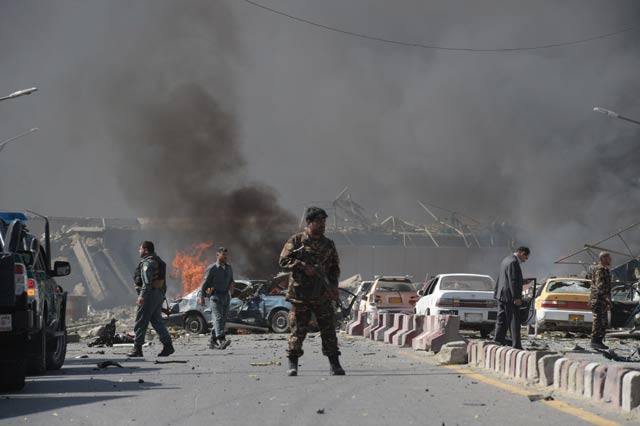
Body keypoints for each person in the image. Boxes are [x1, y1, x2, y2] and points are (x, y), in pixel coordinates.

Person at [279, 206, 344, 376]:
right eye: (318, 221)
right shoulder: (296, 241)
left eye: (324, 221)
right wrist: (301, 266)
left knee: (328, 330)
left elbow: (334, 268)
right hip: (300, 295)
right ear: (309, 222)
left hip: (322, 295)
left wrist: (333, 286)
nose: (322, 225)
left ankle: (335, 364)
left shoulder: (328, 244)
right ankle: (293, 364)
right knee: (297, 331)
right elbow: (283, 261)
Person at [127, 241, 175, 357]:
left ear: (146, 250)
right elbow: (163, 283)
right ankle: (168, 345)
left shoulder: (147, 263)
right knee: (156, 321)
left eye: (141, 249)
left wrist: (142, 296)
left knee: (141, 321)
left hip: (149, 295)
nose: (139, 251)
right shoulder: (158, 261)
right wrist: (161, 296)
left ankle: (137, 348)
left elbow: (147, 283)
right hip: (157, 294)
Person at [493, 246, 530, 350]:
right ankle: (516, 344)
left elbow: (506, 278)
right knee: (514, 320)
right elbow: (513, 281)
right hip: (509, 296)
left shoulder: (506, 259)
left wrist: (522, 281)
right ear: (522, 253)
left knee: (502, 319)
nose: (525, 260)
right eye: (526, 258)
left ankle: (498, 340)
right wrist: (516, 297)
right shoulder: (514, 262)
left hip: (501, 294)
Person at [199, 247, 235, 350]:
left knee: (222, 320)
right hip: (215, 296)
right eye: (223, 255)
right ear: (217, 255)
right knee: (218, 318)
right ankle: (222, 339)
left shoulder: (229, 268)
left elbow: (231, 280)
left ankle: (212, 341)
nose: (225, 257)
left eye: (226, 255)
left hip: (225, 296)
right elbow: (204, 284)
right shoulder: (212, 268)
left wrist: (232, 287)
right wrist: (201, 296)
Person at [590, 252, 612, 350]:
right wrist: (606, 299)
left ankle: (598, 341)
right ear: (603, 258)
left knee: (603, 322)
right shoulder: (600, 270)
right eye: (608, 258)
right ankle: (595, 341)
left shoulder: (604, 270)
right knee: (599, 321)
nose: (610, 259)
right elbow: (600, 287)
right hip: (598, 300)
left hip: (602, 299)